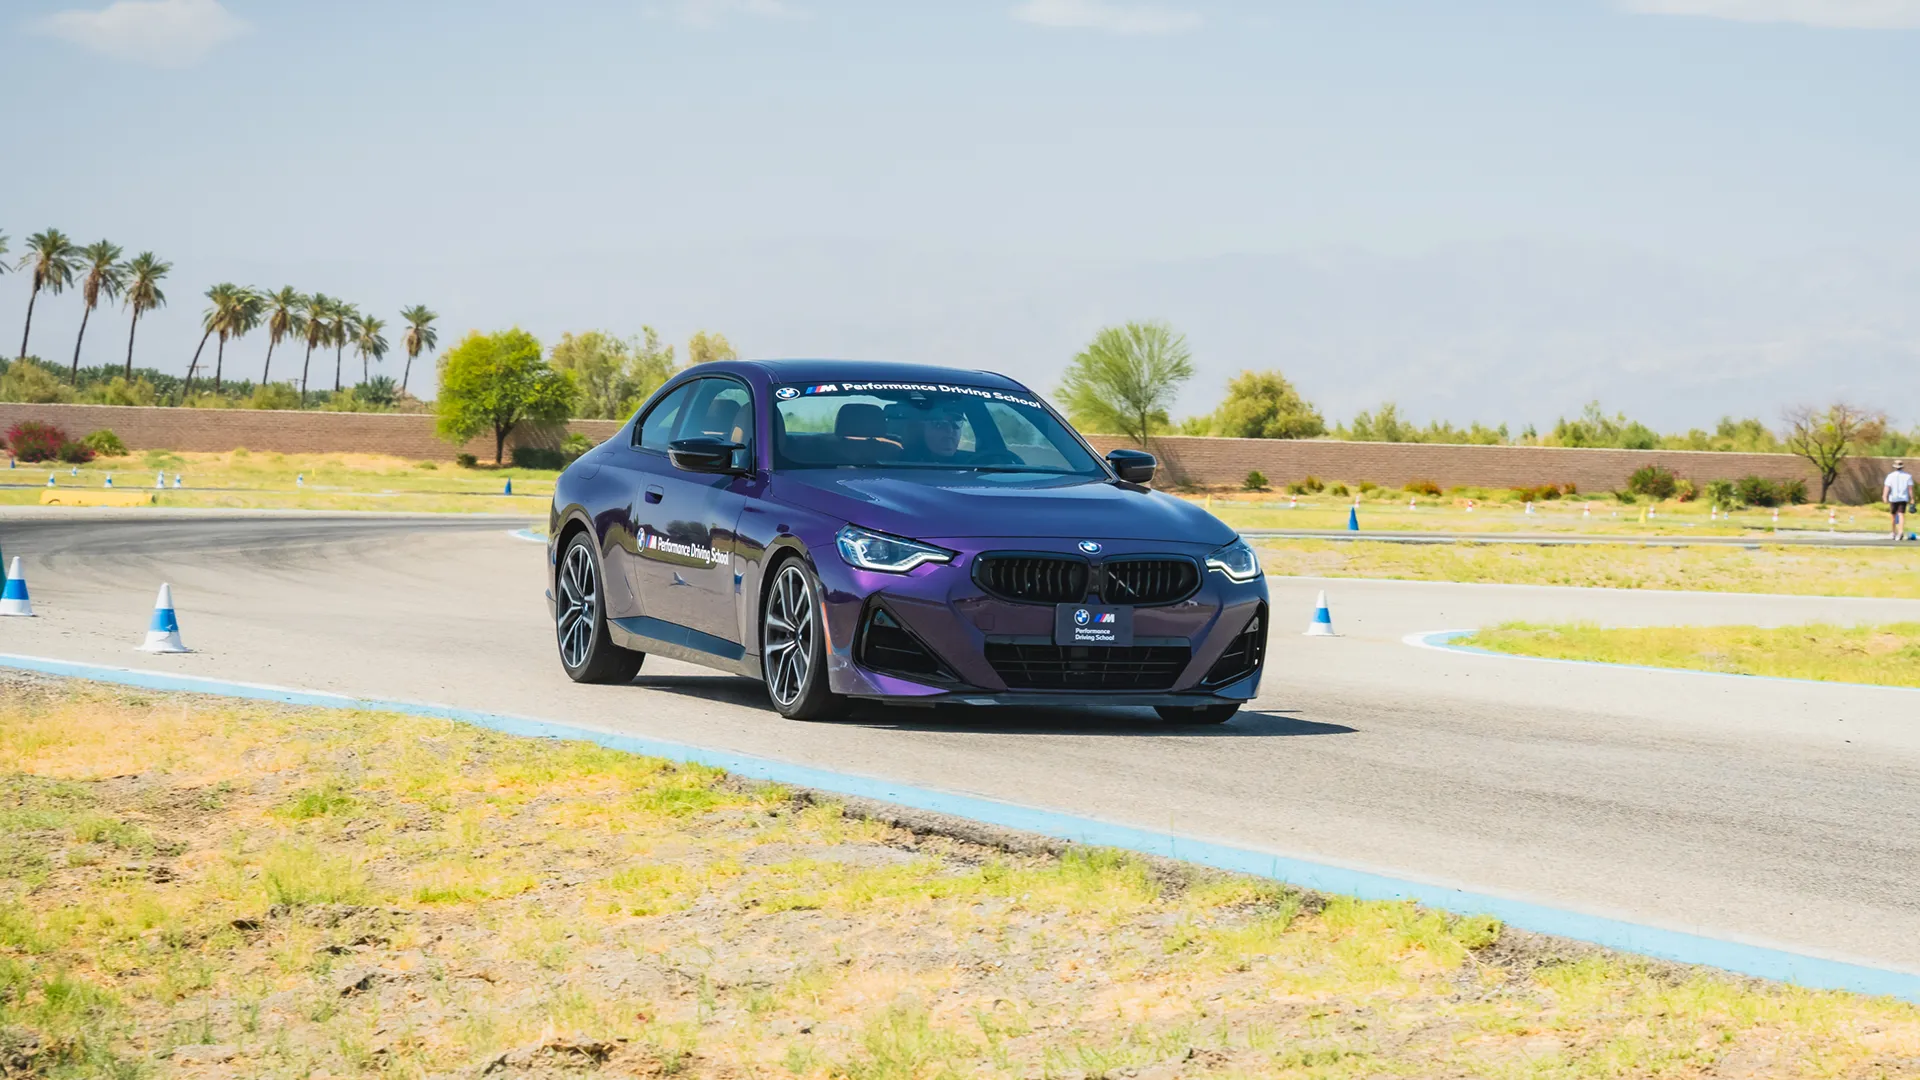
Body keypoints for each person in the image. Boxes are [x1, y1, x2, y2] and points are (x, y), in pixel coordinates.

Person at [1886, 460, 1914, 541]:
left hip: (1893, 498)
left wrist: (1884, 496)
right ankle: (1900, 532)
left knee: (1893, 515)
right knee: (1901, 515)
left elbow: (1887, 487)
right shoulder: (1908, 476)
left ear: (1894, 467)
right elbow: (1910, 489)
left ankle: (1893, 532)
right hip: (1903, 498)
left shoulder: (1890, 476)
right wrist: (1912, 498)